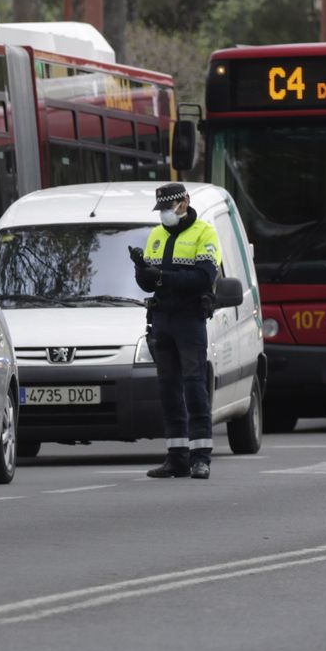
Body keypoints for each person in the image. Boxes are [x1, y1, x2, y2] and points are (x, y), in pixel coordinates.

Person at [129, 184, 221, 479]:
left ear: (185, 202)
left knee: (194, 386)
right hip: (162, 319)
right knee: (168, 389)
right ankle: (177, 457)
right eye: (163, 210)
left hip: (190, 320)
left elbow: (204, 277)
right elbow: (148, 283)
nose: (166, 214)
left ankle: (201, 458)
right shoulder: (157, 235)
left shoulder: (204, 233)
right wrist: (142, 271)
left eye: (171, 208)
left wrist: (163, 277)